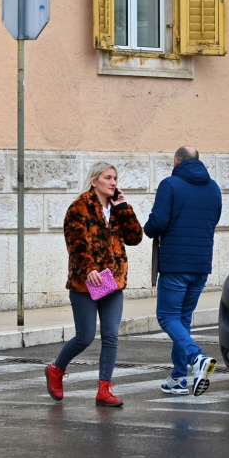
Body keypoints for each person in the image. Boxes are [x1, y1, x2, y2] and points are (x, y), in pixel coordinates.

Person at [45, 162, 144, 407]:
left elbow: (135, 238)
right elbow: (75, 243)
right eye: (108, 178)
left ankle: (104, 389)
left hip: (113, 283)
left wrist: (124, 208)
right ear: (94, 181)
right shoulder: (79, 207)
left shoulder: (117, 208)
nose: (113, 182)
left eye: (115, 178)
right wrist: (89, 269)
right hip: (85, 284)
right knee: (85, 337)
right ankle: (56, 369)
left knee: (111, 336)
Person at [144, 146, 221, 396]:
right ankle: (178, 378)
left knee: (167, 316)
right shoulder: (214, 188)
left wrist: (148, 227)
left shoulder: (170, 184)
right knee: (183, 319)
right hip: (201, 265)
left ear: (176, 162)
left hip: (176, 263)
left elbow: (158, 222)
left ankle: (196, 358)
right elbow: (214, 219)